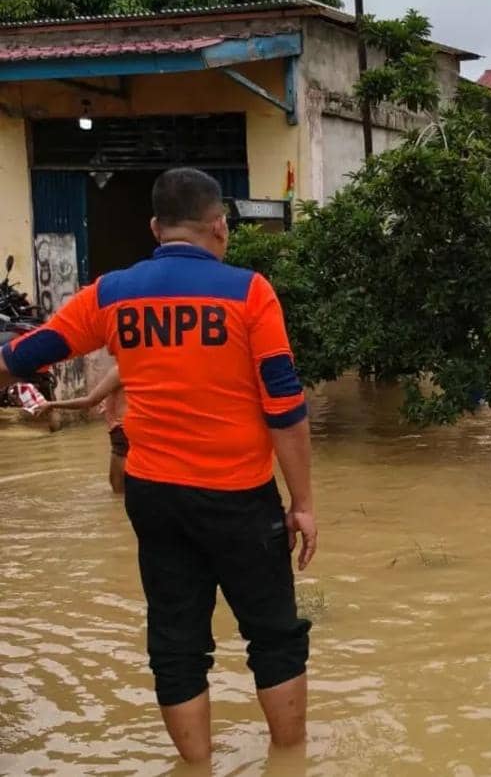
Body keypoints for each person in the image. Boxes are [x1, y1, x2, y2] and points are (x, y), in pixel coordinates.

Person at [0, 168, 317, 763]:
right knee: (274, 635)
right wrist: (301, 502)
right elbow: (284, 406)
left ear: (154, 227)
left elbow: (22, 354)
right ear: (219, 226)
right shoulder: (250, 293)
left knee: (177, 643)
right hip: (239, 495)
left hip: (154, 496)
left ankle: (194, 768)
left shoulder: (112, 294)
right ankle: (290, 764)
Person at [40, 362, 127, 494]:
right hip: (134, 432)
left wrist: (52, 404)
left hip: (121, 434)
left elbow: (89, 401)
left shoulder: (120, 369)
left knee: (118, 492)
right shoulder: (142, 369)